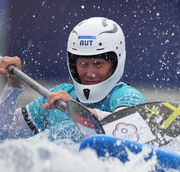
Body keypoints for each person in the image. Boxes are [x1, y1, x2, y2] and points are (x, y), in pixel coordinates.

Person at [0, 17, 146, 141]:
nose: (90, 73)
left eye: (98, 64)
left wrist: (74, 109)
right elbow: (4, 133)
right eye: (83, 64)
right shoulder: (56, 96)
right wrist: (13, 84)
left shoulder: (126, 96)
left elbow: (129, 130)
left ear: (115, 63)